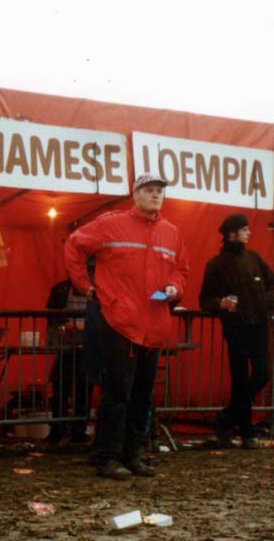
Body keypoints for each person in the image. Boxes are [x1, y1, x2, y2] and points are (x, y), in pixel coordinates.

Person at [65, 173, 189, 479]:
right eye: (149, 190)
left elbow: (180, 269)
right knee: (118, 392)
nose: (156, 195)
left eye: (160, 190)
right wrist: (85, 286)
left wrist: (175, 287)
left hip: (153, 326)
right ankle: (106, 456)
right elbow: (74, 245)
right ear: (134, 194)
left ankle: (132, 454)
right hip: (120, 322)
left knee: (142, 395)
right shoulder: (110, 223)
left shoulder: (171, 232)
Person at [199, 213, 274, 448]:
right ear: (231, 234)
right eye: (244, 229)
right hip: (234, 328)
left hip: (259, 326)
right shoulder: (215, 264)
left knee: (262, 374)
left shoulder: (254, 258)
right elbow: (204, 299)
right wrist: (220, 304)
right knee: (240, 379)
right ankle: (246, 432)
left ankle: (227, 418)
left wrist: (267, 302)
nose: (249, 232)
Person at [45, 278, 90, 446]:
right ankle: (58, 429)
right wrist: (66, 324)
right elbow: (51, 316)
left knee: (83, 388)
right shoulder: (60, 289)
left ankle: (78, 430)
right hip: (66, 348)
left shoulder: (97, 289)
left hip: (86, 348)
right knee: (60, 388)